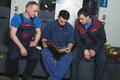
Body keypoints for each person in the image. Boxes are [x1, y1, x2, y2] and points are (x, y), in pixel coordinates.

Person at [8, 1, 41, 80]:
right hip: (17, 42)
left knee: (35, 57)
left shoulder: (35, 19)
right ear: (27, 9)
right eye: (34, 11)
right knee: (13, 57)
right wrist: (21, 47)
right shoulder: (17, 18)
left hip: (29, 42)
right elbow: (12, 34)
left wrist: (35, 42)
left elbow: (38, 32)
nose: (36, 13)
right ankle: (15, 74)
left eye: (37, 11)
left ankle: (26, 75)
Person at [71, 8, 107, 80]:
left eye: (82, 19)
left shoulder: (99, 24)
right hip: (82, 46)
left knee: (102, 58)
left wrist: (94, 49)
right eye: (79, 19)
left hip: (96, 46)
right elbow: (77, 39)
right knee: (74, 56)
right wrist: (84, 50)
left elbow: (103, 39)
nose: (80, 21)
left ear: (88, 17)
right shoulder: (78, 24)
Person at [41, 10, 74, 80]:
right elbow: (44, 37)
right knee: (44, 53)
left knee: (69, 56)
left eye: (65, 22)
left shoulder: (70, 27)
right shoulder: (50, 24)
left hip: (62, 48)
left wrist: (69, 47)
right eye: (61, 21)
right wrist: (44, 42)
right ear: (58, 17)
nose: (63, 24)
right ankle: (56, 78)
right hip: (50, 47)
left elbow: (71, 41)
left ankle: (53, 78)